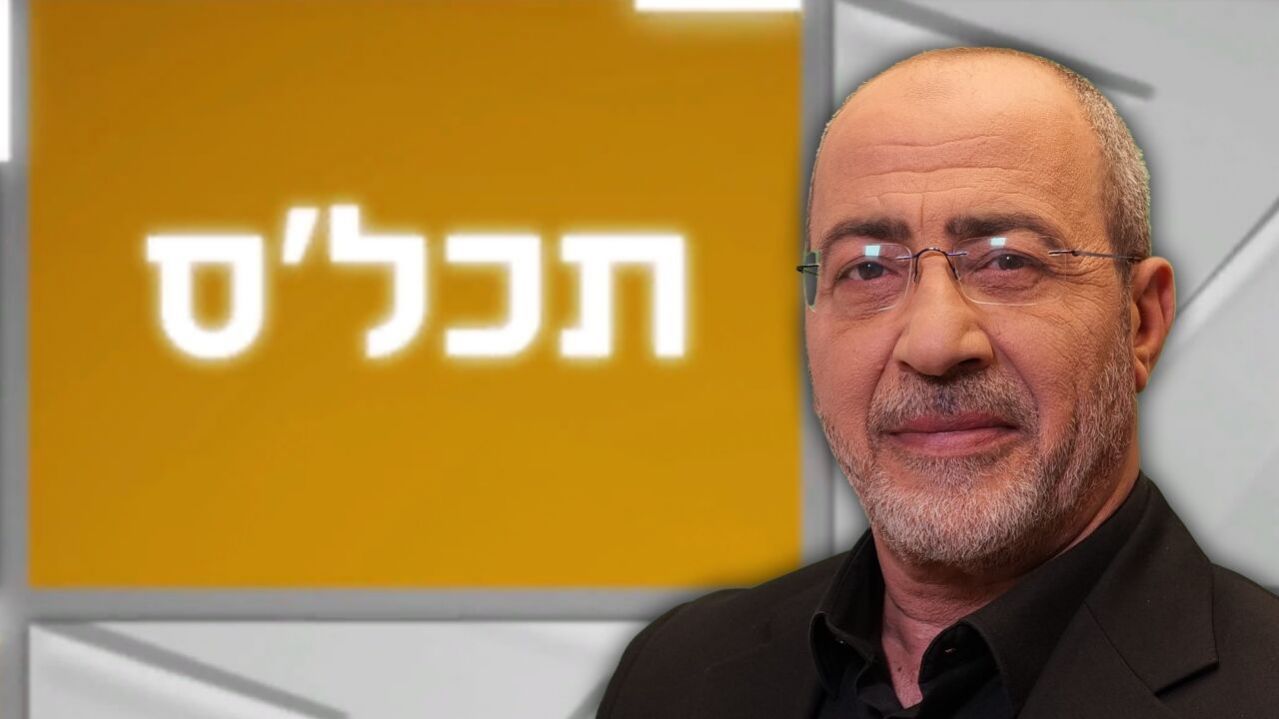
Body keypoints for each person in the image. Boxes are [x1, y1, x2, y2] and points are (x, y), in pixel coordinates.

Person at [597, 47, 1279, 719]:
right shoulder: (673, 675)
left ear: (1140, 320)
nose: (933, 344)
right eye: (868, 269)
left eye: (1007, 261)